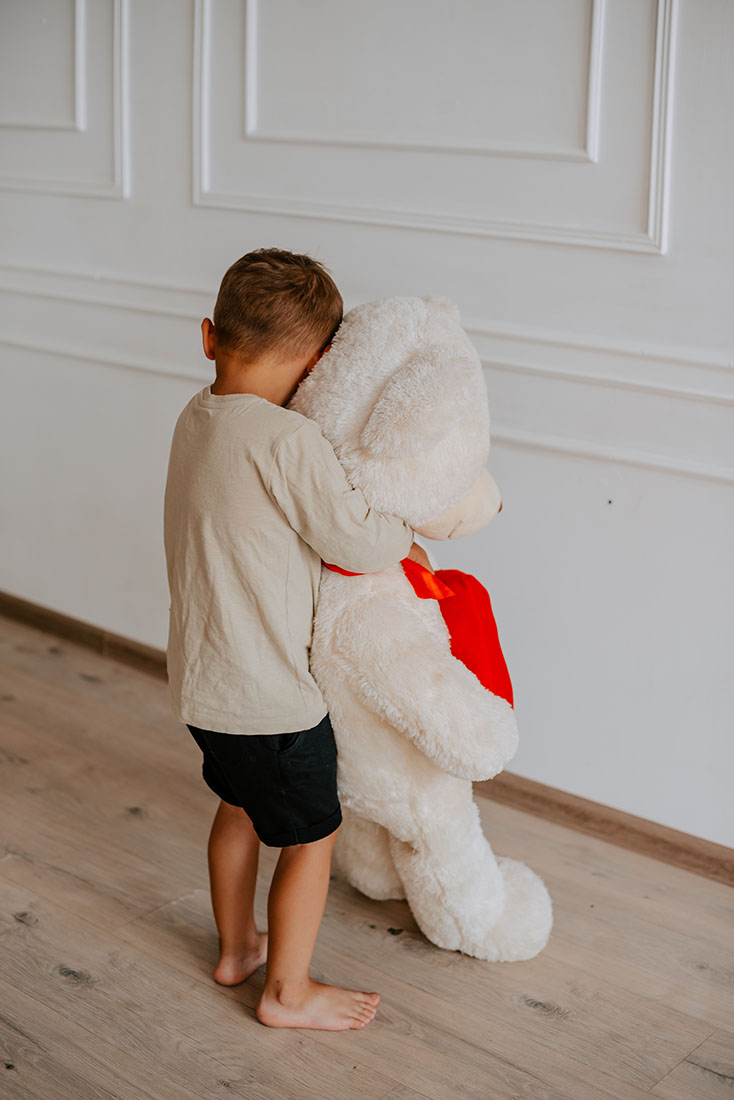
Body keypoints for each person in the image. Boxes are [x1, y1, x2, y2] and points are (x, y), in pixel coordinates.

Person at [163, 247, 431, 1031]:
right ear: (316, 365)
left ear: (208, 336)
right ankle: (287, 991)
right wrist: (405, 532)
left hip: (203, 684)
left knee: (238, 807)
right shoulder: (289, 442)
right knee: (313, 837)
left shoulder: (196, 415)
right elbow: (357, 540)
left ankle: (237, 946)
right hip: (270, 697)